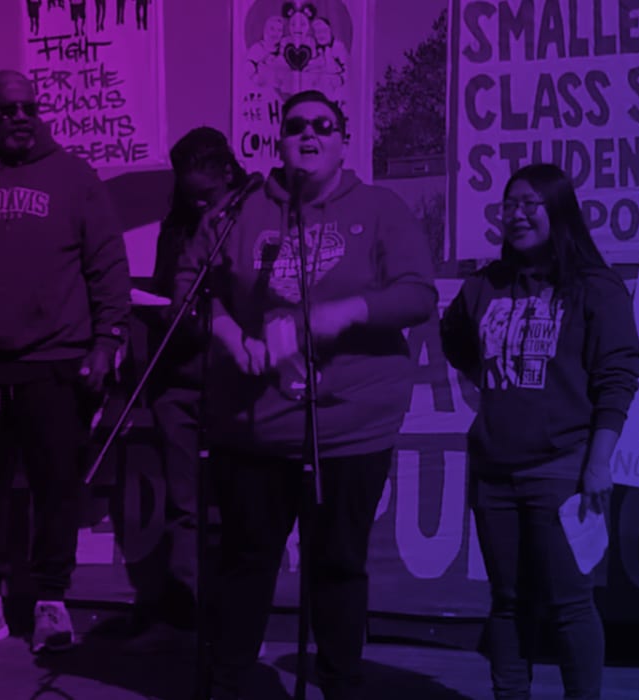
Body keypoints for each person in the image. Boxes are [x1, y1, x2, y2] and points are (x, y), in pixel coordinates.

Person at [172, 90, 436, 700]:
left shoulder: (380, 208)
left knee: (338, 566)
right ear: (278, 141)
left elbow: (418, 294)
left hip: (347, 429)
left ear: (344, 140)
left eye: (324, 125)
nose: (309, 135)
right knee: (245, 565)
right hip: (255, 429)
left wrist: (346, 311)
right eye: (296, 126)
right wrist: (227, 333)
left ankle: (341, 685)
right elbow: (189, 282)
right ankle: (231, 684)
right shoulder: (240, 211)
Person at [0, 69, 130, 654]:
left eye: (28, 108)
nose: (20, 118)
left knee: (56, 485)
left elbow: (107, 265)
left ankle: (51, 603)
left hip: (55, 361)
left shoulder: (74, 178)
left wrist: (107, 341)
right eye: (6, 111)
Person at [440, 163, 639, 700]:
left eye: (531, 203)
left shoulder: (595, 288)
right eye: (509, 204)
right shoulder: (484, 286)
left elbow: (619, 376)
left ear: (559, 210)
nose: (518, 214)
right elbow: (457, 344)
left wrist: (598, 462)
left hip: (563, 469)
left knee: (569, 602)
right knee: (507, 601)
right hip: (493, 472)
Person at [119, 127, 247, 655]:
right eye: (186, 193)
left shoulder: (253, 218)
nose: (195, 203)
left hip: (234, 381)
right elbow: (171, 286)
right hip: (179, 380)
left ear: (228, 174)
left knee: (238, 504)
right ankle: (184, 609)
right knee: (183, 503)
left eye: (204, 193)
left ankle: (236, 615)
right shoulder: (178, 224)